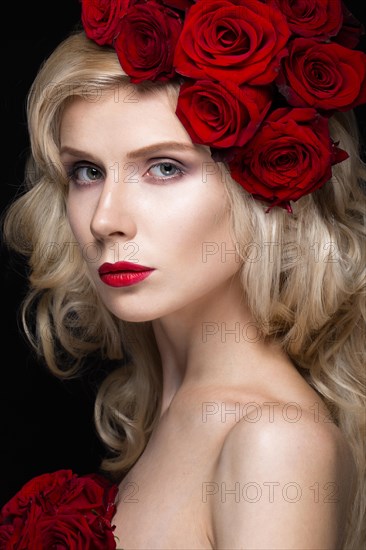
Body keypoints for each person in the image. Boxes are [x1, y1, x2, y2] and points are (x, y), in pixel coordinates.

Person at [1, 0, 365, 548]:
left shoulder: (275, 443)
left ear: (263, 186)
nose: (106, 219)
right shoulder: (164, 411)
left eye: (165, 168)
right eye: (87, 171)